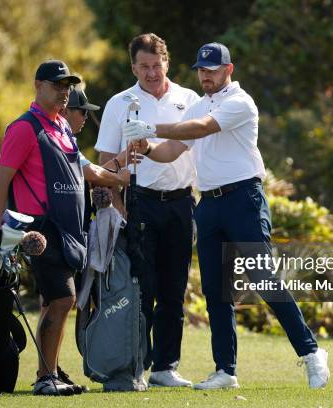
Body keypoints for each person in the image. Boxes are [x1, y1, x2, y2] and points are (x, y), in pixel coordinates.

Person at [123, 43, 330, 390]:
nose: (206, 75)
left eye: (212, 69)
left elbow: (201, 128)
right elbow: (173, 150)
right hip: (209, 204)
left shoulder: (240, 102)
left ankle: (311, 352)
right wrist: (146, 147)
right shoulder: (199, 104)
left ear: (228, 70)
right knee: (216, 291)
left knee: (262, 277)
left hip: (243, 199)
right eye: (201, 69)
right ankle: (225, 371)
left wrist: (151, 128)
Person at [0, 59, 131, 396]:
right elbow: (0, 184)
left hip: (68, 232)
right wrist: (0, 234)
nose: (65, 92)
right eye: (57, 85)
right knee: (62, 298)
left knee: (57, 301)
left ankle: (50, 371)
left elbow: (84, 170)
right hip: (39, 232)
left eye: (68, 87)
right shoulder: (24, 128)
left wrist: (118, 177)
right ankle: (44, 378)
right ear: (38, 86)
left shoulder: (62, 128)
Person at [94, 33, 200, 387]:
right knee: (142, 289)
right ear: (133, 68)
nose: (152, 73)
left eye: (157, 65)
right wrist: (120, 209)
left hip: (181, 204)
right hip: (140, 205)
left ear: (167, 62)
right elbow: (104, 165)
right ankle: (136, 365)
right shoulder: (119, 103)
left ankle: (166, 367)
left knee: (174, 289)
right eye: (144, 67)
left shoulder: (190, 99)